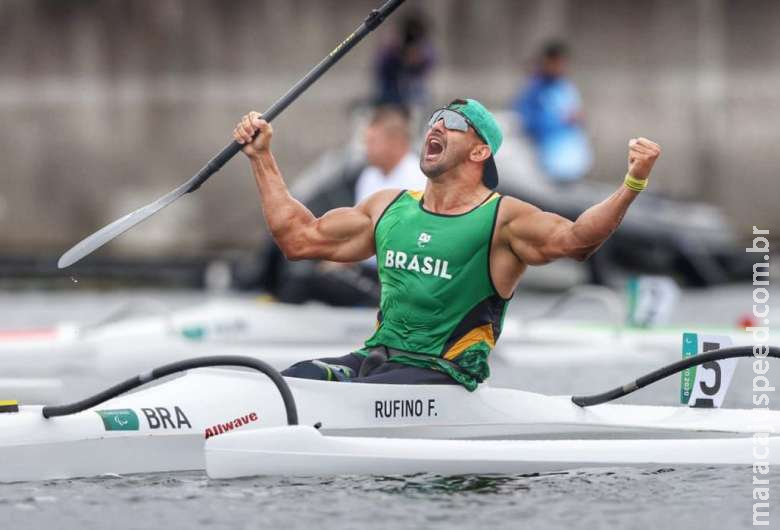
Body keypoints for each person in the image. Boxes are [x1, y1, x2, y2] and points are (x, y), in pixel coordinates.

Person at [232, 98, 660, 390]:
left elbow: (576, 241)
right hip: (374, 361)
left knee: (334, 393)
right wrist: (262, 159)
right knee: (288, 380)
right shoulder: (388, 207)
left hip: (443, 375)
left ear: (479, 153)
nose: (436, 126)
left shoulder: (503, 219)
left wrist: (632, 182)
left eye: (454, 124)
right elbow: (299, 239)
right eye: (435, 119)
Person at [514, 41, 593, 183]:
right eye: (557, 63)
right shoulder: (534, 90)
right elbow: (529, 123)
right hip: (551, 159)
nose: (561, 67)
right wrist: (561, 120)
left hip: (573, 159)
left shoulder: (564, 86)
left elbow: (576, 114)